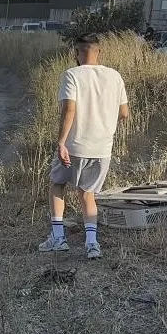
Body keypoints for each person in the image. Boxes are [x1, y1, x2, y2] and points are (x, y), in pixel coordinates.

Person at [39, 33, 129, 260]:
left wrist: (61, 142)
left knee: (57, 184)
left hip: (75, 145)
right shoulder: (115, 76)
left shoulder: (72, 75)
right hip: (102, 148)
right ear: (99, 52)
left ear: (77, 53)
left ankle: (58, 238)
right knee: (87, 193)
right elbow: (124, 114)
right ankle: (92, 243)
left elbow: (69, 109)